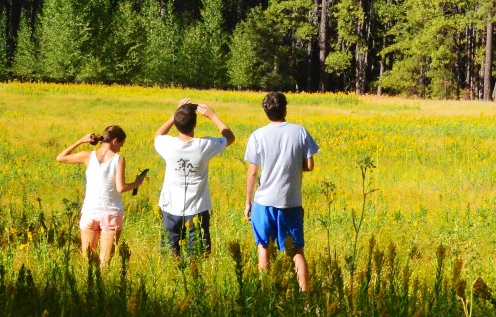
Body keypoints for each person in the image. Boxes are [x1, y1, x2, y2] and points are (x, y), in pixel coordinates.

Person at [243, 91, 318, 293]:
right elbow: (310, 165)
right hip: (290, 202)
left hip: (263, 202)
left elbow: (252, 172)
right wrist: (293, 166)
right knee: (296, 250)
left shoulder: (258, 135)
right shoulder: (300, 131)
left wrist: (248, 202)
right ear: (285, 109)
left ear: (265, 111)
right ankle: (305, 293)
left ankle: (265, 292)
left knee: (264, 247)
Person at [55, 124, 147, 268]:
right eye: (120, 145)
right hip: (111, 212)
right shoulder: (119, 159)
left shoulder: (88, 156)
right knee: (105, 262)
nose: (120, 149)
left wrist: (81, 141)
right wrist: (137, 183)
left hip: (89, 212)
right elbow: (121, 188)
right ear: (115, 141)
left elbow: (60, 157)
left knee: (87, 259)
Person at [153, 99, 234, 259]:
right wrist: (212, 116)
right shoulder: (204, 145)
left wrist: (175, 115)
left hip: (170, 209)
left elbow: (158, 135)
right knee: (198, 257)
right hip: (197, 209)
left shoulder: (167, 144)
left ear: (176, 124)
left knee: (170, 256)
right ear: (195, 124)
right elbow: (229, 137)